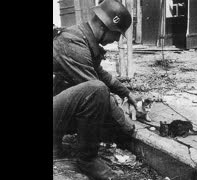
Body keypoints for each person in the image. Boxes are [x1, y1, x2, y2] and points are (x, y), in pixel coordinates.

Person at [53, 0, 138, 179]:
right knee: (97, 93)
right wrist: (128, 128)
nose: (117, 39)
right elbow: (97, 90)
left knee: (99, 94)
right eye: (116, 34)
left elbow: (101, 74)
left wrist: (128, 94)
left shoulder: (83, 38)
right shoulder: (72, 42)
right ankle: (87, 159)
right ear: (102, 26)